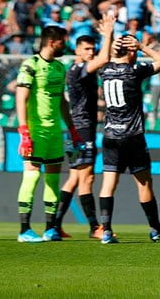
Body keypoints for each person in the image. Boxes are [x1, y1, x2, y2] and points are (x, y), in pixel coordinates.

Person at [97, 34, 160, 244]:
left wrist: (110, 42)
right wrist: (143, 46)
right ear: (131, 52)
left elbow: (106, 57)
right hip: (132, 136)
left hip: (110, 135)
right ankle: (155, 229)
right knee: (144, 183)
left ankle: (107, 231)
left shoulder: (105, 70)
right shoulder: (134, 71)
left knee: (108, 183)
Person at [15, 25, 83, 243]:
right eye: (63, 41)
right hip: (36, 131)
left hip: (55, 132)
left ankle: (50, 228)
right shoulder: (31, 65)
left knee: (53, 179)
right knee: (32, 175)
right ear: (52, 42)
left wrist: (71, 128)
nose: (66, 45)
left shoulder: (59, 67)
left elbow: (62, 101)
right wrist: (24, 131)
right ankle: (24, 230)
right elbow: (21, 98)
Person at [53, 14, 115, 239]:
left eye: (92, 49)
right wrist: (107, 35)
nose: (91, 52)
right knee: (87, 178)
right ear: (78, 51)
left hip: (75, 129)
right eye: (87, 49)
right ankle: (94, 227)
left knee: (74, 178)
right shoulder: (79, 69)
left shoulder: (76, 69)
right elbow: (103, 58)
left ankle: (54, 225)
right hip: (82, 129)